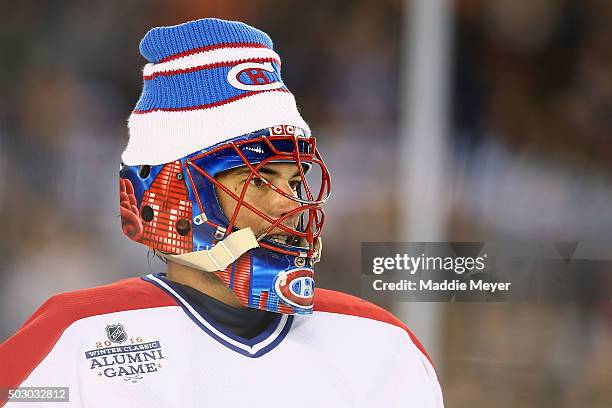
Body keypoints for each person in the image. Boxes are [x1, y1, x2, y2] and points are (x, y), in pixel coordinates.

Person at [0, 18, 444, 407]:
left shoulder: (385, 350)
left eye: (294, 180)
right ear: (172, 196)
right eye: (258, 178)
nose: (290, 204)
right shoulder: (74, 342)